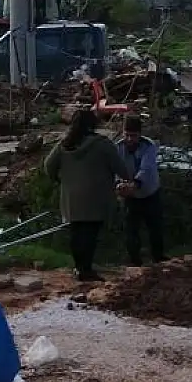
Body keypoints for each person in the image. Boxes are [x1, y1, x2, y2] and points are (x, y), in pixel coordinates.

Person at [44, 107, 134, 281]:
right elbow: (121, 169)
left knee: (76, 233)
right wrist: (128, 178)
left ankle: (79, 268)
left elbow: (48, 166)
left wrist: (60, 180)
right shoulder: (102, 144)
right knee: (90, 234)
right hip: (95, 198)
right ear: (93, 124)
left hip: (70, 198)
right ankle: (86, 270)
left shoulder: (64, 144)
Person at [116, 114, 164, 265]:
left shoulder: (148, 146)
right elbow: (115, 169)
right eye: (127, 135)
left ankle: (159, 258)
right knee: (131, 230)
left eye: (134, 136)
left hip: (149, 192)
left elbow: (146, 168)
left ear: (140, 135)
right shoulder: (118, 147)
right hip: (130, 196)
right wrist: (118, 184)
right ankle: (134, 261)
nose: (130, 139)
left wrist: (134, 184)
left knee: (155, 228)